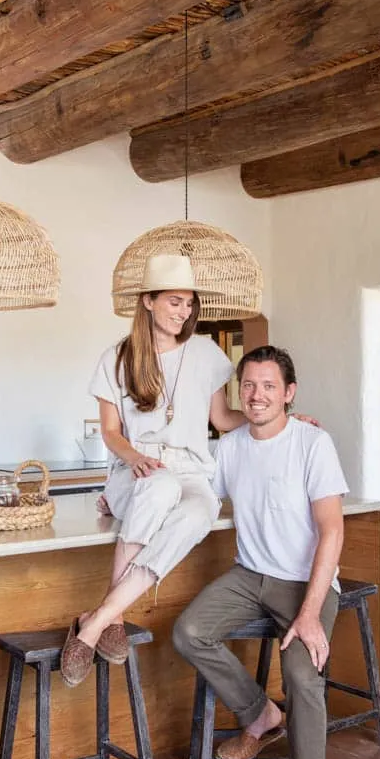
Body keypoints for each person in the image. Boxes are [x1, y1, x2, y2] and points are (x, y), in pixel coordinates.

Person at [172, 345, 348, 759]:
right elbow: (194, 491)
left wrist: (310, 613)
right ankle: (260, 714)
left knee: (302, 676)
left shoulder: (313, 443)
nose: (256, 395)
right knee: (189, 631)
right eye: (248, 385)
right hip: (250, 576)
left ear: (289, 393)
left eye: (269, 386)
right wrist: (122, 497)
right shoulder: (229, 447)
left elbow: (332, 530)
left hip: (306, 583)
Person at [60, 252, 248, 687]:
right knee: (159, 486)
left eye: (188, 303)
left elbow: (222, 419)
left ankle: (99, 620)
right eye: (174, 302)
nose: (183, 312)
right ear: (148, 300)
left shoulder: (205, 353)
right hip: (137, 468)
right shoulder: (117, 358)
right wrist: (134, 458)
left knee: (200, 513)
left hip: (192, 470)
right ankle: (109, 620)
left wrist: (278, 418)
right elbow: (110, 432)